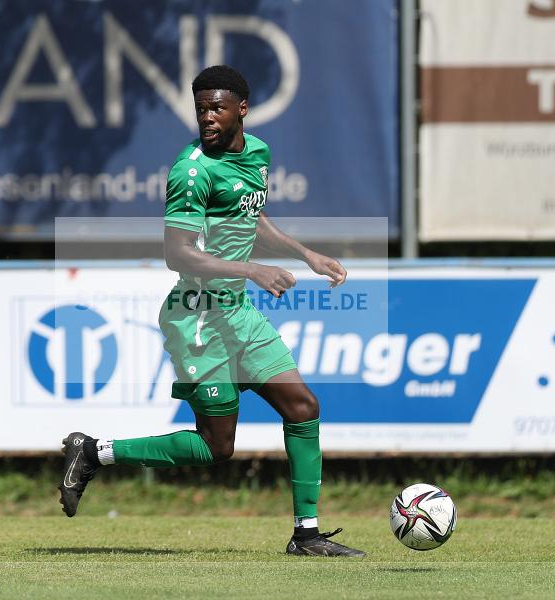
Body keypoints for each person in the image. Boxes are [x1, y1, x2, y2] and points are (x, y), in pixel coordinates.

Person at [59, 65, 364, 557]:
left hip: (237, 312)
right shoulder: (191, 170)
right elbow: (177, 253)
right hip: (198, 317)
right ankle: (94, 451)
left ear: (242, 109)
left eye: (216, 107)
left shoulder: (258, 153)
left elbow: (252, 216)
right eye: (200, 108)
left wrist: (304, 253)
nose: (207, 117)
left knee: (304, 407)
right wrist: (252, 270)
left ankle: (306, 535)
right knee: (218, 447)